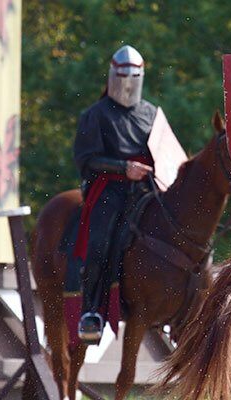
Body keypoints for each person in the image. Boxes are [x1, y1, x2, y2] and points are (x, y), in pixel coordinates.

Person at [73, 45, 156, 343]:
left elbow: (164, 150)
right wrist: (123, 168)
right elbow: (86, 160)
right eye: (123, 75)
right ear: (112, 75)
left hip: (147, 190)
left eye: (134, 75)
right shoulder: (95, 115)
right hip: (108, 191)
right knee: (101, 244)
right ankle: (90, 311)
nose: (129, 81)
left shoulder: (151, 113)